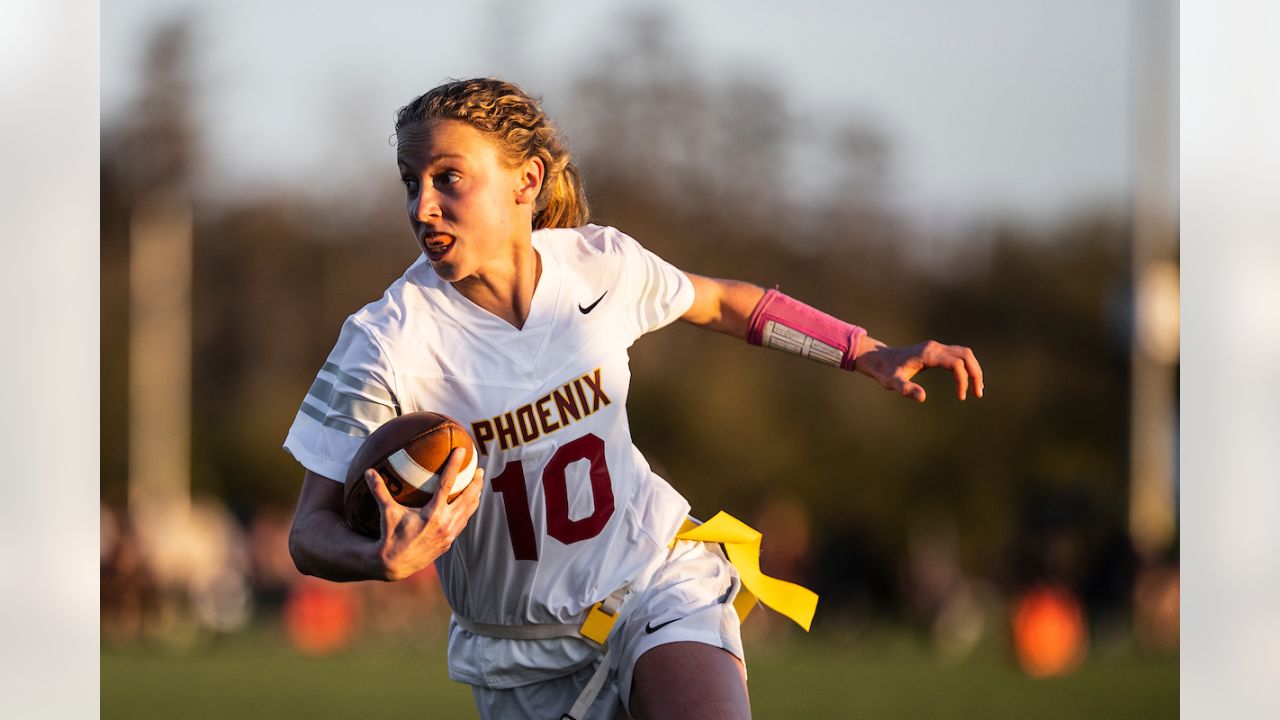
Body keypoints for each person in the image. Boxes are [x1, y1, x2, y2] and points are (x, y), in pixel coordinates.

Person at [285, 78, 983, 720]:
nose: (422, 205)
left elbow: (719, 303)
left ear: (526, 181)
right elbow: (307, 531)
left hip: (654, 580)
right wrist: (379, 559)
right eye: (411, 183)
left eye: (448, 179)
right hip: (522, 657)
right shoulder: (385, 341)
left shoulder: (598, 265)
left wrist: (863, 349)